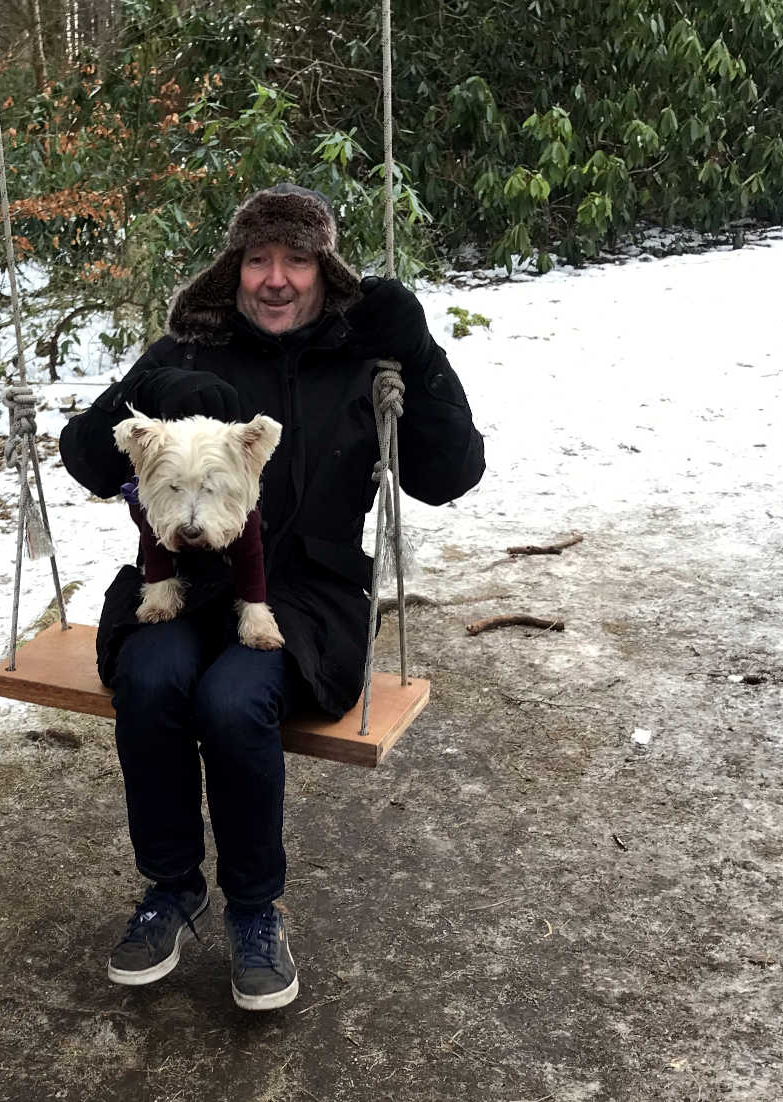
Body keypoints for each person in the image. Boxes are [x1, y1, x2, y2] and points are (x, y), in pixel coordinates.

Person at [56, 183, 485, 1010]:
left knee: (231, 698)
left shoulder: (370, 358)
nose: (276, 279)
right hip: (182, 574)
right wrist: (150, 379)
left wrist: (422, 357)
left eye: (296, 259)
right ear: (235, 269)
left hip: (310, 593)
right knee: (149, 680)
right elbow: (87, 461)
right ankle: (172, 887)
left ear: (325, 269)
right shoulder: (196, 349)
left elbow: (450, 475)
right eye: (258, 260)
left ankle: (255, 908)